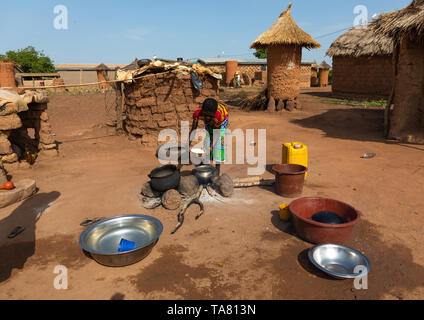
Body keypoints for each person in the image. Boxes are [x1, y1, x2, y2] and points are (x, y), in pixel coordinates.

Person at [190, 98, 229, 176]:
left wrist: (210, 147)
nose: (207, 117)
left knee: (217, 144)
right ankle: (205, 165)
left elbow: (216, 134)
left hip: (222, 120)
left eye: (209, 115)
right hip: (213, 120)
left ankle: (217, 169)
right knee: (207, 139)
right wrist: (189, 144)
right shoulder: (197, 114)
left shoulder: (218, 115)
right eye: (205, 115)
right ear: (202, 111)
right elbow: (193, 129)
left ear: (213, 113)